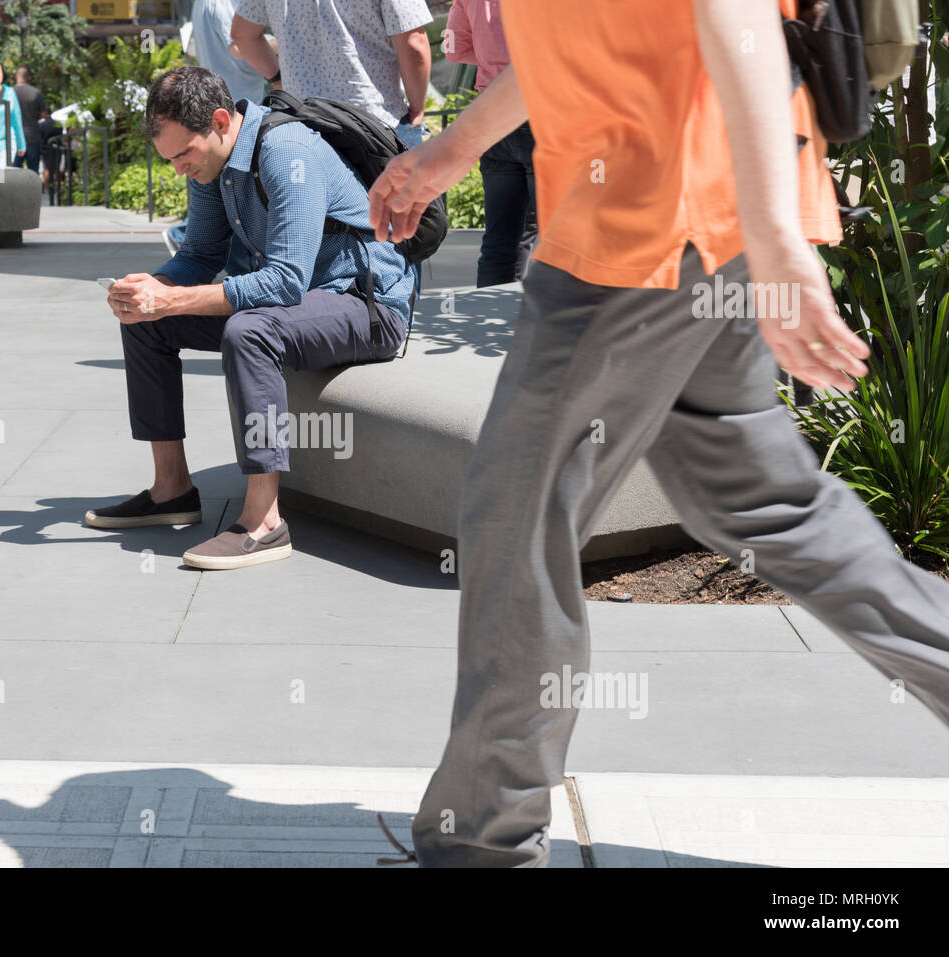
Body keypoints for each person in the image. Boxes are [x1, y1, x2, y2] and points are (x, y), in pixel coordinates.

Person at [367, 0, 949, 867]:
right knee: (764, 503)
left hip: (651, 220)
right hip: (702, 208)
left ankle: (481, 843)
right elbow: (575, 31)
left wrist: (776, 234)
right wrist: (446, 155)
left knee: (516, 514)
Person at [86, 67, 414, 570]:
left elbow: (283, 283)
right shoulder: (211, 164)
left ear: (220, 121)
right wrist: (152, 289)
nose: (178, 169)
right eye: (169, 159)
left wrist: (175, 299)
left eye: (183, 154)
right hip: (301, 304)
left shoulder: (287, 153)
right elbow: (197, 254)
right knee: (147, 321)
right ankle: (172, 490)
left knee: (250, 331)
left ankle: (265, 523)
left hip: (366, 307)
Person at [230, 0, 433, 147]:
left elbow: (242, 35)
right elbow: (414, 43)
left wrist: (277, 79)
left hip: (303, 127)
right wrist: (417, 109)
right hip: (374, 126)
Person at [164, 0, 268, 265]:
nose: (177, 168)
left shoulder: (204, 4)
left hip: (223, 117)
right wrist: (278, 51)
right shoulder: (223, 5)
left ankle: (186, 233)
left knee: (228, 214)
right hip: (234, 118)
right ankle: (185, 233)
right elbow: (239, 49)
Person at [444, 0, 537, 286]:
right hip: (539, 111)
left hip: (491, 117)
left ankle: (489, 318)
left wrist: (491, 59)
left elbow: (452, 50)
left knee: (500, 239)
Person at [11, 65, 48, 174]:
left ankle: (13, 191)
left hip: (14, 137)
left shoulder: (9, 93)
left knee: (13, 171)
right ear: (28, 78)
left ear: (16, 76)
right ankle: (33, 191)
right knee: (33, 171)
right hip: (33, 136)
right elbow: (44, 114)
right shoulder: (36, 93)